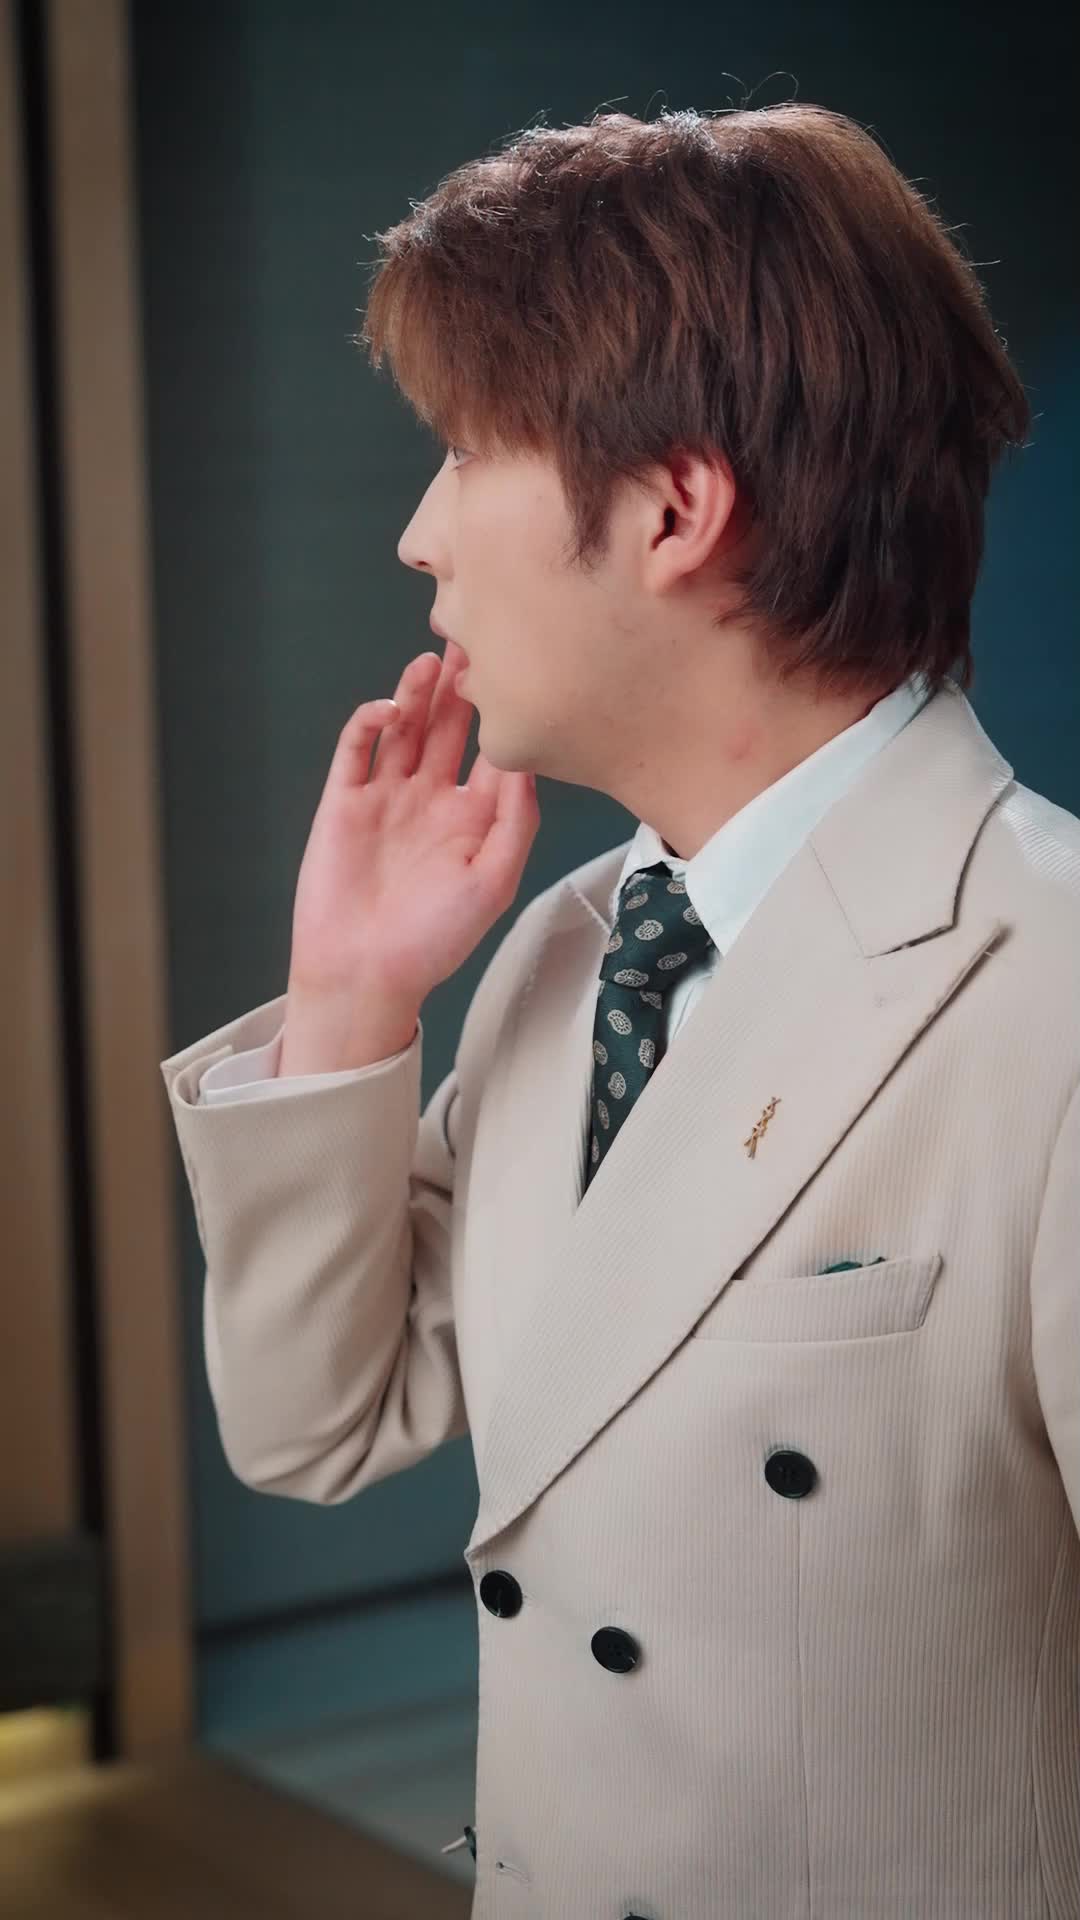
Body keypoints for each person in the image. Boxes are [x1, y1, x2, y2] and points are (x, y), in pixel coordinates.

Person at [160, 104, 1079, 1919]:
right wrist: (349, 993)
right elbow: (315, 1426)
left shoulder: (1048, 983)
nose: (418, 535)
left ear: (673, 507)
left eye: (463, 452)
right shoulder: (579, 948)